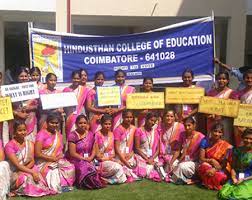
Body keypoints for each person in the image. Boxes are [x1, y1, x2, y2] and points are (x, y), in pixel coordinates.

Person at [5, 120, 54, 197]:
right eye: (20, 130)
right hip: (14, 171)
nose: (23, 132)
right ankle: (17, 190)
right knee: (27, 178)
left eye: (24, 130)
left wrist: (28, 171)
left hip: (27, 168)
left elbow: (32, 160)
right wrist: (30, 172)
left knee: (36, 176)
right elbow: (17, 165)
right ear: (14, 132)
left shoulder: (30, 143)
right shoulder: (9, 146)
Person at [35, 113, 75, 193]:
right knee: (53, 171)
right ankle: (57, 188)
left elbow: (60, 151)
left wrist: (59, 157)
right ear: (47, 123)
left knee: (70, 167)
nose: (54, 125)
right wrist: (52, 159)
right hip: (43, 162)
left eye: (56, 123)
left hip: (56, 159)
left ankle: (64, 185)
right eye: (52, 122)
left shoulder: (59, 135)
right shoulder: (41, 135)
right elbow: (37, 153)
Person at [66, 114, 103, 189]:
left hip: (89, 158)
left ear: (87, 124)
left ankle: (93, 183)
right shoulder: (73, 135)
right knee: (85, 166)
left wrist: (91, 157)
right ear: (76, 124)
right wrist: (84, 159)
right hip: (76, 159)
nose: (82, 125)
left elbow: (94, 149)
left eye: (84, 123)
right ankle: (85, 184)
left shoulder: (90, 134)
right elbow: (72, 153)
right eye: (80, 123)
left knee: (97, 166)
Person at [218, 128, 252, 199]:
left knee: (239, 196)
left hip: (249, 179)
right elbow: (233, 167)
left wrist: (244, 179)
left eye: (251, 139)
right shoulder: (237, 150)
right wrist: (233, 178)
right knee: (223, 194)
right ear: (242, 138)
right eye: (246, 138)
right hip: (237, 177)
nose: (248, 141)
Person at [170, 117, 205, 184]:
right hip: (183, 160)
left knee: (181, 166)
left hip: (194, 162)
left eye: (189, 125)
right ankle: (180, 177)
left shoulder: (201, 137)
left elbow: (201, 156)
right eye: (185, 125)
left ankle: (181, 179)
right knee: (172, 164)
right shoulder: (182, 134)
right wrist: (171, 162)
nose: (187, 128)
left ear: (194, 125)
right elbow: (178, 151)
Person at [94, 114, 127, 184]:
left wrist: (112, 159)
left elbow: (114, 153)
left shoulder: (112, 134)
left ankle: (108, 179)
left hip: (110, 159)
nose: (108, 126)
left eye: (109, 124)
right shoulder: (97, 134)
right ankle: (111, 180)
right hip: (100, 162)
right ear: (101, 124)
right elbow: (97, 155)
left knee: (124, 167)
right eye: (105, 124)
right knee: (118, 167)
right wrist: (108, 159)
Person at [198, 123, 232, 190]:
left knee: (222, 176)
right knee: (203, 166)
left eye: (219, 132)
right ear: (211, 131)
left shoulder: (226, 146)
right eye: (215, 131)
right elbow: (201, 158)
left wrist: (215, 169)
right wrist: (211, 160)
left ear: (222, 134)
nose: (217, 134)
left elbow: (225, 164)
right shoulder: (205, 141)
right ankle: (214, 183)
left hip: (221, 168)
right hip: (208, 166)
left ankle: (208, 183)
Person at [11, 67, 38, 142]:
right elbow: (7, 107)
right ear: (17, 77)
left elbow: (39, 105)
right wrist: (17, 113)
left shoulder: (33, 89)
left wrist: (30, 107)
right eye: (21, 76)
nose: (24, 78)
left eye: (26, 76)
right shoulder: (11, 90)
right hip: (17, 121)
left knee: (31, 143)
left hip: (31, 121)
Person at [207, 71, 233, 143]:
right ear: (216, 80)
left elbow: (233, 109)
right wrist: (209, 114)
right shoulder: (211, 92)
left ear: (227, 80)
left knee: (224, 141)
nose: (221, 81)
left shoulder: (231, 93)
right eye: (219, 78)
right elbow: (206, 107)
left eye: (224, 79)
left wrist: (221, 116)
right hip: (212, 121)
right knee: (211, 141)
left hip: (225, 122)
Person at [134, 112, 162, 181]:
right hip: (141, 156)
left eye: (154, 121)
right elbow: (137, 148)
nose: (153, 123)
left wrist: (152, 158)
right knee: (143, 172)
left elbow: (158, 149)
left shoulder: (155, 132)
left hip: (152, 156)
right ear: (146, 119)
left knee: (152, 167)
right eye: (151, 120)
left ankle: (154, 169)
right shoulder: (139, 130)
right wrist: (147, 159)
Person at [114, 110, 139, 182]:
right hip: (120, 156)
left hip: (130, 155)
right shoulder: (118, 129)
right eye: (127, 117)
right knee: (121, 167)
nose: (129, 119)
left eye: (131, 117)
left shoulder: (134, 128)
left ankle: (129, 173)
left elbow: (135, 145)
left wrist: (132, 152)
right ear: (123, 117)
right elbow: (116, 148)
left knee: (139, 164)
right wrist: (124, 161)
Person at [63, 70, 91, 136]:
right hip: (70, 116)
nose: (76, 80)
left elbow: (88, 105)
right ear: (71, 78)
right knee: (71, 136)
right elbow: (63, 105)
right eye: (74, 78)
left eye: (78, 78)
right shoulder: (66, 90)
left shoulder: (85, 90)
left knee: (81, 136)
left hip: (81, 116)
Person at [158, 110, 185, 176]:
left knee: (172, 167)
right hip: (162, 155)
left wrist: (171, 162)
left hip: (174, 155)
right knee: (157, 168)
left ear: (174, 117)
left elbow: (181, 147)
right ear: (163, 117)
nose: (169, 118)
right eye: (167, 116)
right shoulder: (160, 126)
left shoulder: (180, 127)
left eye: (171, 116)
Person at [231, 69, 252, 147]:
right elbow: (235, 110)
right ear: (243, 79)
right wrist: (239, 126)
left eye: (251, 78)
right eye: (247, 78)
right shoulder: (238, 94)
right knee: (241, 146)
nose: (249, 80)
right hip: (240, 125)